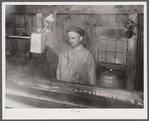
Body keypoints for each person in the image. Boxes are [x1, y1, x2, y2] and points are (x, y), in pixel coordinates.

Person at [43, 14, 96, 85]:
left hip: (77, 92)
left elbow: (91, 78)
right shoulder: (63, 49)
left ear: (80, 38)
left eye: (73, 38)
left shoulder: (87, 55)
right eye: (69, 38)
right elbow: (51, 41)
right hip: (62, 90)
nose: (70, 41)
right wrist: (48, 28)